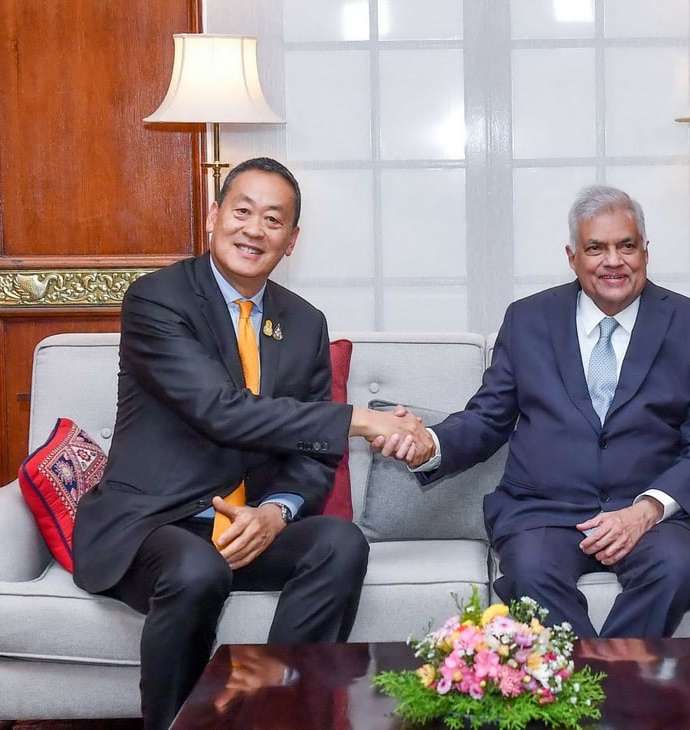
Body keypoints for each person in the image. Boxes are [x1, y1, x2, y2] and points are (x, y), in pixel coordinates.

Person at [72, 157, 430, 730]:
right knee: (197, 570)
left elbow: (313, 457)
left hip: (245, 526)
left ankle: (276, 715)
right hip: (154, 523)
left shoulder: (304, 322)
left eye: (273, 220)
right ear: (214, 216)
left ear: (291, 241)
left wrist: (275, 512)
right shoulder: (157, 300)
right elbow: (221, 411)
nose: (254, 230)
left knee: (338, 543)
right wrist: (358, 419)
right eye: (242, 211)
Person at [388, 184, 690, 639]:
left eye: (626, 245)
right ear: (572, 257)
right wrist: (429, 444)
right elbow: (489, 418)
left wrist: (646, 511)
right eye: (596, 248)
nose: (613, 260)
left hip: (645, 511)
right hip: (543, 510)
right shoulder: (528, 319)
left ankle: (587, 698)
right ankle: (611, 698)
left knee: (674, 570)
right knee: (529, 576)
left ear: (645, 253)